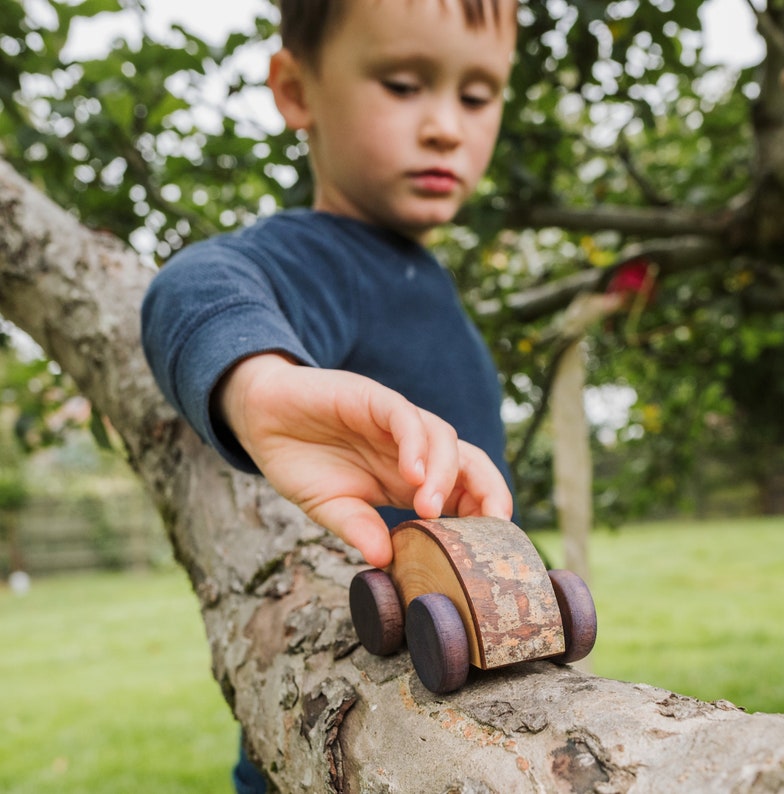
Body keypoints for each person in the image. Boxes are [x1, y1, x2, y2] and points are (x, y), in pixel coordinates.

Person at [141, 0, 518, 791]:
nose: (447, 125)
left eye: (477, 95)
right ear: (296, 91)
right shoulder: (320, 254)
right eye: (405, 83)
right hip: (352, 720)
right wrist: (260, 382)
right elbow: (194, 285)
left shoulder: (421, 272)